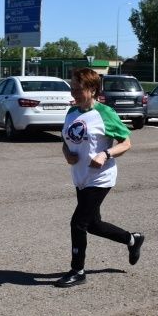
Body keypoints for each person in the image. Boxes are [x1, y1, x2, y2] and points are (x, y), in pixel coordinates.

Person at [56, 68, 144, 288]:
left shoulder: (105, 113)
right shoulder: (71, 113)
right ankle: (132, 239)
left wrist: (106, 154)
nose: (74, 93)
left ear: (92, 89)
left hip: (100, 177)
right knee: (93, 224)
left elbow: (126, 142)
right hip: (81, 176)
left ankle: (77, 270)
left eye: (79, 89)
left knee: (78, 223)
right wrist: (67, 153)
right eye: (73, 88)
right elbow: (65, 140)